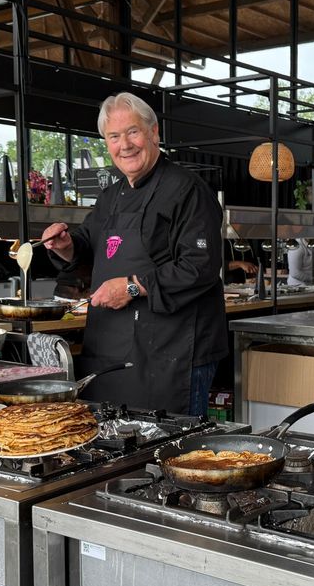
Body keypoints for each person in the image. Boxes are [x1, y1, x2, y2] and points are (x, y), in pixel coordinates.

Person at [41, 92, 227, 416]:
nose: (124, 144)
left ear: (154, 133)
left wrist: (130, 286)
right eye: (114, 136)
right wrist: (66, 244)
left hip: (173, 353)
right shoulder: (111, 196)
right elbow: (88, 244)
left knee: (170, 452)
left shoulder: (188, 190)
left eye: (133, 132)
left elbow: (200, 267)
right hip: (110, 351)